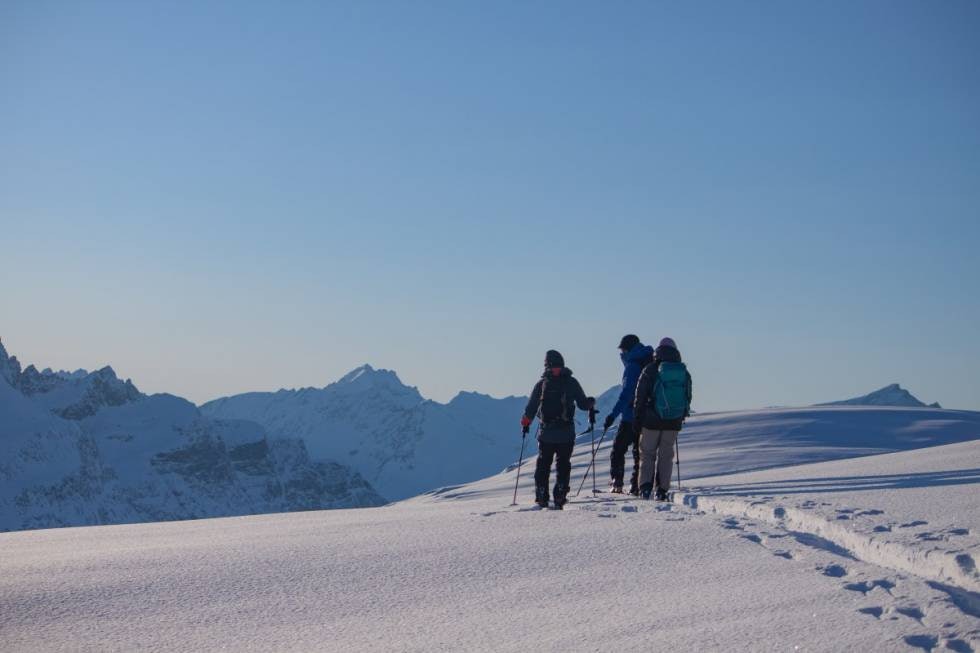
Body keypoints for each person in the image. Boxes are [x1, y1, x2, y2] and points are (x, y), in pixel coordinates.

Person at [521, 350, 596, 509]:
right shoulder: (571, 382)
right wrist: (591, 403)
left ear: (546, 365)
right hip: (566, 433)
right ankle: (560, 493)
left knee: (543, 464)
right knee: (563, 464)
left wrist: (526, 423)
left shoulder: (541, 384)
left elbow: (531, 408)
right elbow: (583, 404)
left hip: (546, 433)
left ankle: (541, 494)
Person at [632, 337, 693, 501]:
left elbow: (640, 395)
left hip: (651, 420)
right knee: (666, 455)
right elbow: (688, 395)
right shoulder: (683, 372)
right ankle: (662, 489)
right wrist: (681, 415)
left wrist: (637, 417)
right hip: (673, 421)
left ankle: (645, 487)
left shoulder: (650, 369)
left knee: (648, 454)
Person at [603, 335, 654, 495]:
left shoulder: (632, 366)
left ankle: (617, 482)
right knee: (640, 452)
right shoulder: (650, 361)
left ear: (628, 349)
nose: (621, 353)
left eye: (622, 350)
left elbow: (627, 394)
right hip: (648, 416)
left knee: (618, 450)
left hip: (630, 416)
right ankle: (637, 484)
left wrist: (612, 415)